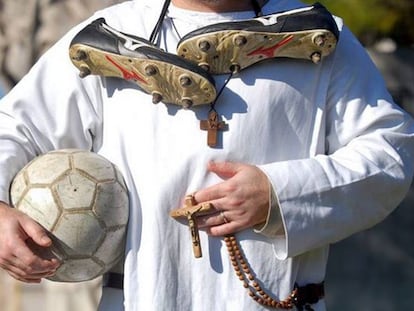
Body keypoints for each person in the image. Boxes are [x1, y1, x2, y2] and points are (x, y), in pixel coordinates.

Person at [0, 0, 413, 310]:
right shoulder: (109, 33)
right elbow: (13, 129)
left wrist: (279, 194)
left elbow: (391, 152)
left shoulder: (319, 35)